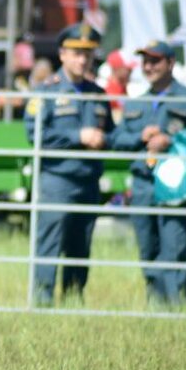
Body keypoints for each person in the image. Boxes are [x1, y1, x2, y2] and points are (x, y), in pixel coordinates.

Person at [110, 40, 186, 307]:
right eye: (145, 61)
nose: (149, 67)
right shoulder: (136, 104)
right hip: (143, 184)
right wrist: (138, 136)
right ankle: (155, 304)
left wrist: (171, 139)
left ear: (170, 63)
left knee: (175, 246)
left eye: (155, 61)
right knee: (148, 247)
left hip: (175, 184)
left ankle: (177, 307)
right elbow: (117, 138)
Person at [24, 23, 113, 306]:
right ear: (62, 54)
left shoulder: (98, 94)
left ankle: (74, 300)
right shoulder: (45, 92)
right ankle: (42, 301)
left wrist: (109, 137)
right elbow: (34, 133)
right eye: (76, 53)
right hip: (57, 179)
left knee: (80, 245)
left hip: (88, 180)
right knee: (48, 244)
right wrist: (78, 136)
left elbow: (111, 132)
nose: (82, 59)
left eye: (87, 53)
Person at [0, 39, 35, 115]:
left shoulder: (28, 73)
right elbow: (0, 100)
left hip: (27, 118)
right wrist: (23, 100)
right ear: (15, 57)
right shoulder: (3, 74)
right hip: (9, 120)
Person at [101, 48, 136, 118]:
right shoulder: (109, 93)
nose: (131, 71)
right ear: (117, 69)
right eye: (128, 69)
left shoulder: (124, 88)